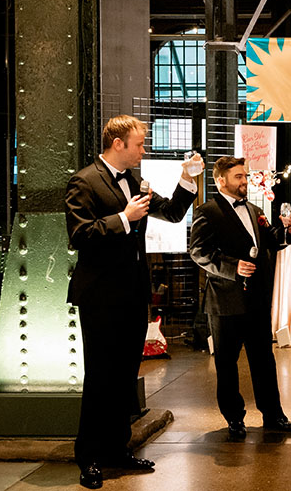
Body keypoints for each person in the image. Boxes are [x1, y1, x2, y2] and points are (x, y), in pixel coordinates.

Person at [65, 115, 198, 490]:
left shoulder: (135, 182)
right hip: (101, 296)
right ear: (118, 143)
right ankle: (89, 456)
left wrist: (188, 178)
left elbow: (171, 213)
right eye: (139, 144)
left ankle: (117, 449)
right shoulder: (84, 181)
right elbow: (79, 235)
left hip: (133, 294)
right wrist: (124, 218)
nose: (144, 150)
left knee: (124, 378)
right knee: (100, 379)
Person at [188, 156, 291, 440]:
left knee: (264, 360)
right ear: (221, 180)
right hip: (225, 301)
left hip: (257, 300)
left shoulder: (254, 209)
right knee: (226, 364)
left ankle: (274, 415)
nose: (244, 181)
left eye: (245, 176)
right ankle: (234, 418)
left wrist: (286, 230)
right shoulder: (207, 211)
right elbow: (198, 252)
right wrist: (231, 267)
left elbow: (269, 242)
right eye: (238, 176)